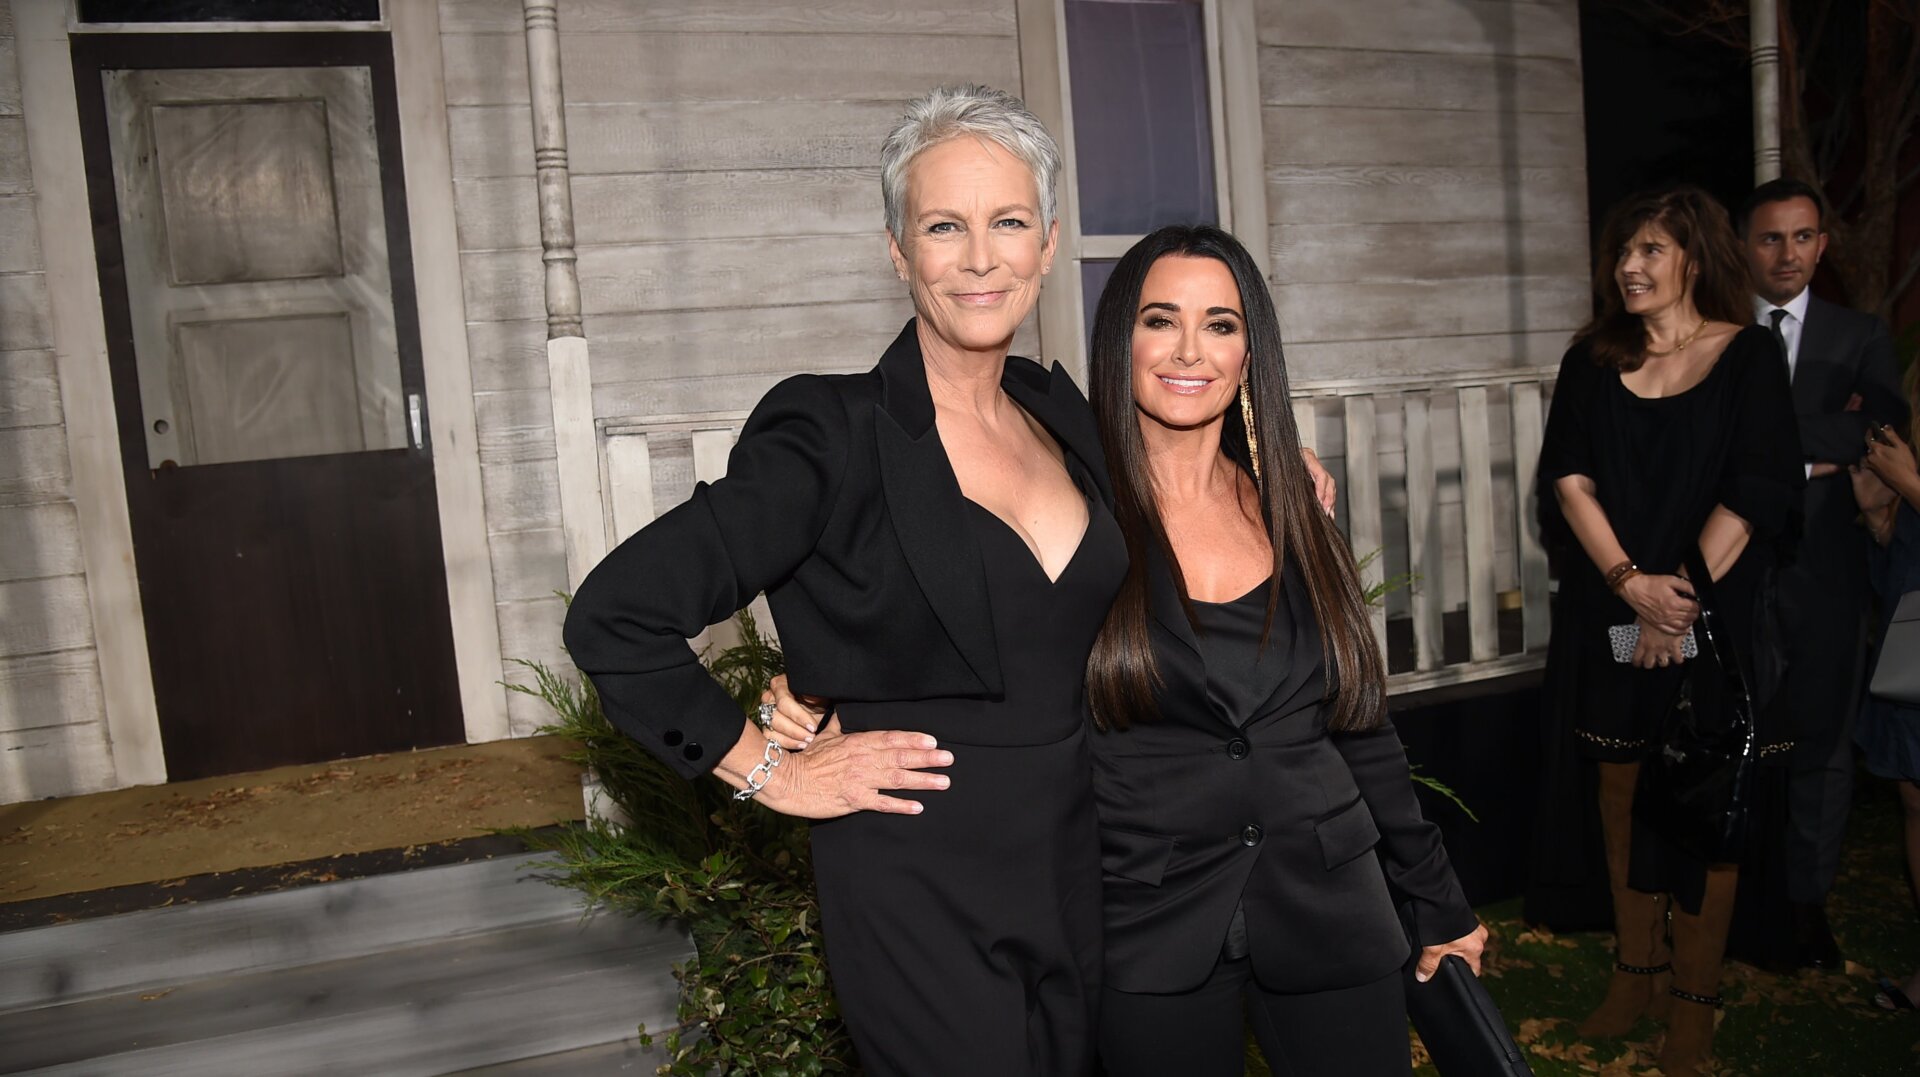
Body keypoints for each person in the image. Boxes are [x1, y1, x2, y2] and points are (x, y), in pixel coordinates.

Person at [563, 85, 1124, 1077]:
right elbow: (617, 617)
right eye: (945, 226)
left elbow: (1149, 550)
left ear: (1046, 243)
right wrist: (767, 768)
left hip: (1080, 861)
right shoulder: (831, 431)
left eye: (1009, 222)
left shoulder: (1061, 414)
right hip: (918, 873)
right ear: (898, 252)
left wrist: (1276, 470)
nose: (981, 256)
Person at [1082, 226, 1485, 1075]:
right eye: (1161, 319)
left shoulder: (1296, 505)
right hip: (1151, 926)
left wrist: (1439, 899)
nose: (1190, 349)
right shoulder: (1072, 519)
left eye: (1221, 324)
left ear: (1250, 351)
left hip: (1331, 904)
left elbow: (1362, 725)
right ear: (1120, 338)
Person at [1534, 186, 1803, 1077]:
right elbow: (1568, 482)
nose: (1630, 268)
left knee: (1698, 798)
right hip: (1613, 615)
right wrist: (1630, 586)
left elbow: (1761, 490)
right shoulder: (1592, 360)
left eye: (1650, 249)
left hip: (1706, 618)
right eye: (1622, 253)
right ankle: (1634, 974)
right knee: (1621, 787)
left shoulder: (1748, 356)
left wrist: (1674, 603)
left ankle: (1694, 1006)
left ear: (1693, 256)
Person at [1740, 177, 1909, 969]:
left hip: (1832, 575)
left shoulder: (1860, 333)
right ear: (1745, 244)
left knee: (1823, 745)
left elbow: (1877, 432)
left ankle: (1807, 906)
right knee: (1735, 736)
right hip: (1732, 569)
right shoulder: (1714, 333)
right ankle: (1740, 899)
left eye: (1803, 237)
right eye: (1772, 238)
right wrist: (1816, 443)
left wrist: (1757, 432)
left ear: (1823, 244)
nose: (1788, 254)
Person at [1852, 364, 1920, 1011]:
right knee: (1914, 796)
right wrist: (1881, 517)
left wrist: (1912, 487)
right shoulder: (1907, 423)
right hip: (1914, 638)